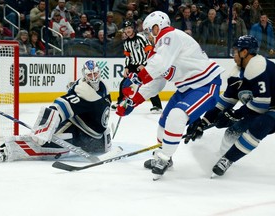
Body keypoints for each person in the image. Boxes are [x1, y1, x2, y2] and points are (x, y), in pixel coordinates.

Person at [115, 11, 225, 179]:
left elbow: (158, 65)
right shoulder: (160, 49)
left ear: (158, 26)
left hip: (205, 84)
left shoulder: (170, 36)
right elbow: (156, 83)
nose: (148, 35)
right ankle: (164, 155)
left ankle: (164, 158)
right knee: (164, 124)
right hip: (186, 88)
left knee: (176, 116)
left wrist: (136, 80)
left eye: (148, 30)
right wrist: (132, 101)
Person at [184, 35, 275, 177]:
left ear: (245, 52)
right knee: (232, 132)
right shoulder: (235, 74)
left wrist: (235, 114)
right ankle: (222, 155)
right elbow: (223, 104)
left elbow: (262, 104)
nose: (233, 55)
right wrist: (203, 122)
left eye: (235, 51)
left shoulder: (258, 66)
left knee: (261, 124)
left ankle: (228, 159)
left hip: (270, 110)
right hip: (260, 110)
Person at [0, 60, 112, 162]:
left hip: (96, 140)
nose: (94, 77)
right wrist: (44, 127)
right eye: (90, 74)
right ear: (84, 75)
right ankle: (9, 150)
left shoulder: (103, 88)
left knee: (65, 142)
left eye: (95, 73)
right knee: (50, 143)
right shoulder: (83, 93)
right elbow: (59, 106)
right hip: (79, 131)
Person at [111, 20, 163, 114]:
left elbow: (149, 51)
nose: (128, 30)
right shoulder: (126, 42)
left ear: (133, 29)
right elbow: (127, 56)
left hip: (143, 65)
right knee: (124, 83)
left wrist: (144, 64)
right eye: (126, 28)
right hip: (133, 66)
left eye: (130, 28)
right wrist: (126, 67)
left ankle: (157, 106)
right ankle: (120, 102)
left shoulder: (141, 38)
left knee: (148, 84)